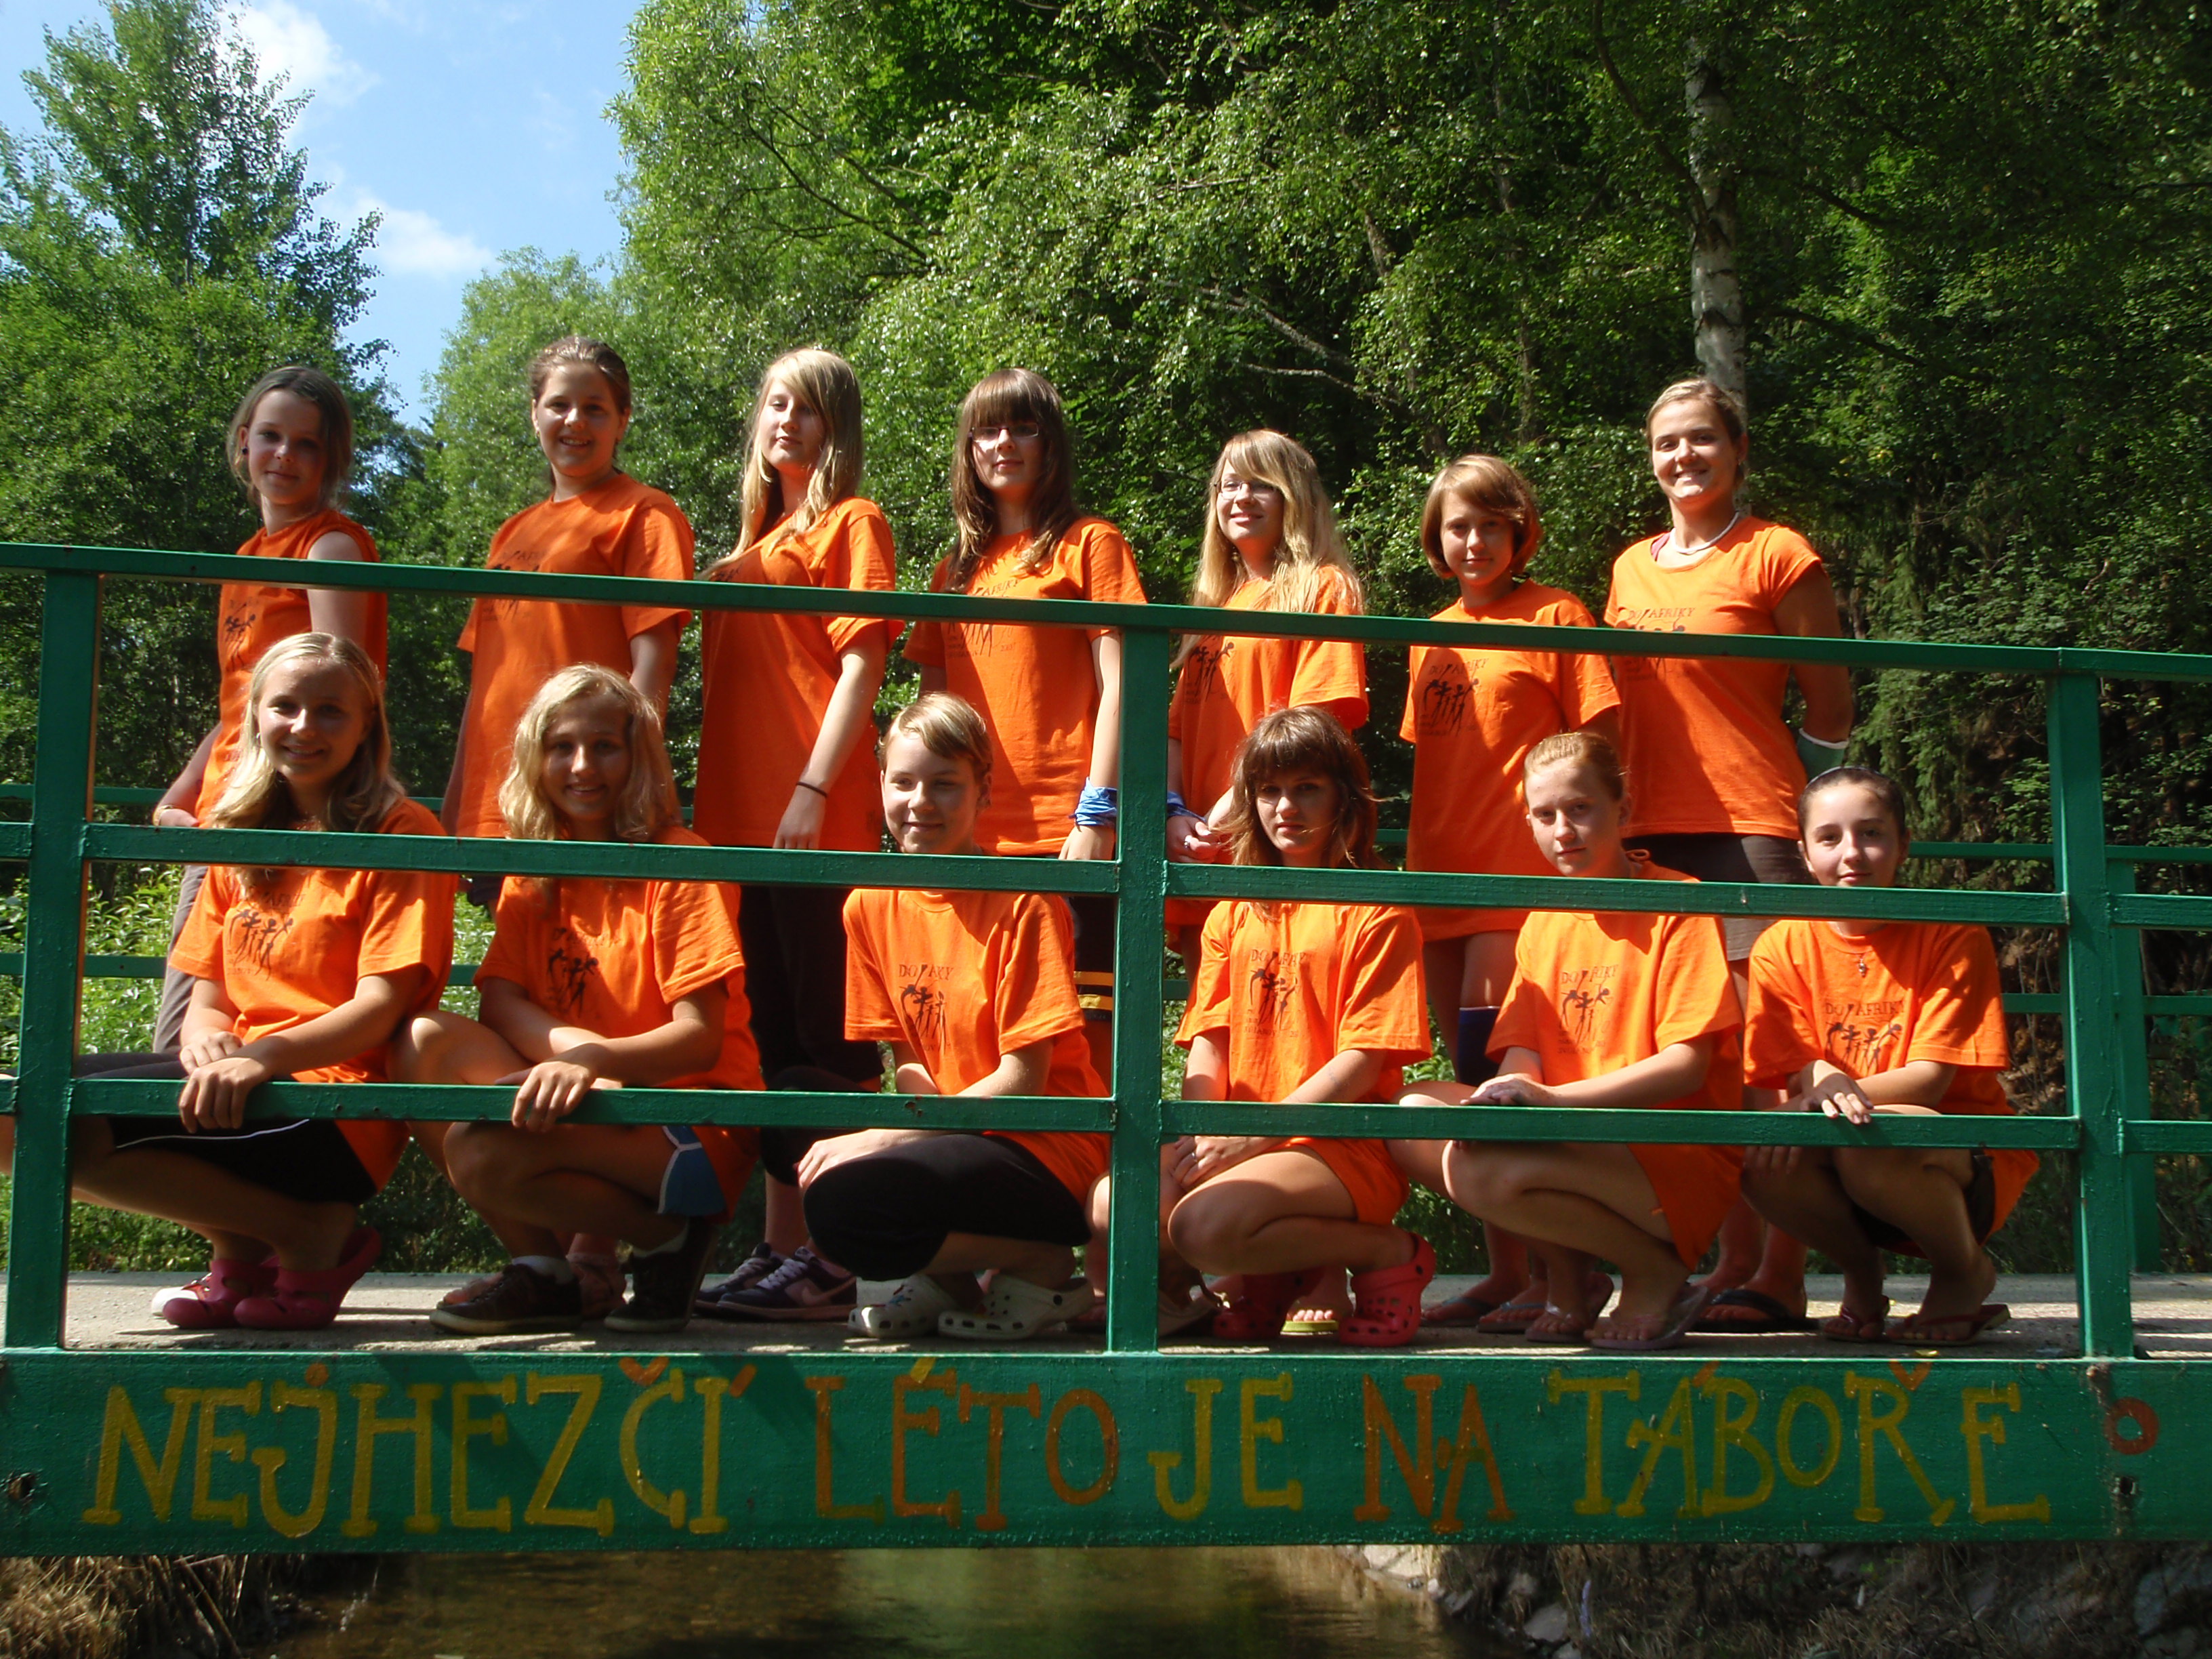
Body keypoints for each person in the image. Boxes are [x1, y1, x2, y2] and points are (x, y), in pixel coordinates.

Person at [5, 634, 451, 1330]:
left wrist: (261, 1057)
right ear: (255, 717)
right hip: (246, 1076)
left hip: (334, 1100)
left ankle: (308, 1234)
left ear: (368, 725)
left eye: (331, 711)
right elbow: (207, 994)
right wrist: (209, 1039)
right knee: (19, 1107)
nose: (304, 726)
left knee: (74, 1127)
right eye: (285, 706)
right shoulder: (238, 830)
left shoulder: (401, 831)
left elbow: (383, 1007)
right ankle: (241, 1248)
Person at [399, 666, 760, 1336]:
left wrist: (593, 1064)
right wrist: (575, 1058)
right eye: (561, 747)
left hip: (688, 1120)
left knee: (480, 1151)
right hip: (590, 1093)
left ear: (639, 757)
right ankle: (545, 1271)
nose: (582, 766)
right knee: (424, 1041)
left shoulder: (680, 861)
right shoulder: (538, 867)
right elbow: (500, 1002)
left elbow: (700, 1038)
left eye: (605, 747)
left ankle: (671, 1239)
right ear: (536, 759)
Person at [1603, 375, 1853, 1326]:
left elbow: (1832, 707)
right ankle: (1730, 1261)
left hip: (1752, 829)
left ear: (1739, 451)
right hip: (1646, 833)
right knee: (1691, 1059)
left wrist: (1807, 817)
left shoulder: (1779, 555)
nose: (1684, 457)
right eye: (1667, 442)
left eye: (1702, 439)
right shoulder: (1630, 569)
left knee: (1764, 1055)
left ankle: (1783, 1273)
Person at [1397, 731, 1744, 1351]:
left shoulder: (1680, 903)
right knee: (1413, 1115)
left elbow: (1687, 1068)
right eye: (1545, 815)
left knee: (1487, 1172)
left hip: (1669, 1154)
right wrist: (1508, 1095)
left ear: (1622, 808)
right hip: (1574, 1136)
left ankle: (1654, 1272)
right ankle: (1570, 1282)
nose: (1563, 831)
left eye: (1580, 809)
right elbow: (1523, 1054)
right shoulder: (1544, 920)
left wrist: (1553, 1103)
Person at [796, 694, 1111, 1341]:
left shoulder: (1025, 901)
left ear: (983, 792)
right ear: (881, 783)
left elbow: (1023, 1082)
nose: (921, 803)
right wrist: (908, 1133)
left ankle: (1042, 1263)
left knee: (843, 1203)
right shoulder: (868, 905)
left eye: (945, 784)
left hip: (1042, 1146)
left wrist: (893, 1137)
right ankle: (953, 1284)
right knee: (791, 1110)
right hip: (951, 1132)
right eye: (903, 782)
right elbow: (908, 1060)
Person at [1397, 454, 1621, 1330]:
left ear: (1518, 532)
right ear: (1437, 538)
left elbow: (1600, 745)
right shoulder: (1431, 633)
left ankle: (1566, 1272)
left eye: (1492, 524)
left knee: (1501, 1072)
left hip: (1516, 882)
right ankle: (1506, 1271)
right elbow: (1436, 756)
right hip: (1437, 878)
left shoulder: (1557, 613)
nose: (1475, 541)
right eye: (1458, 526)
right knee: (1464, 1077)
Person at [691, 349, 892, 1318]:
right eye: (776, 404)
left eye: (808, 409)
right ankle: (781, 1246)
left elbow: (862, 664)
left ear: (835, 427)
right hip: (733, 827)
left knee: (830, 1041)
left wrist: (813, 788)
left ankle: (838, 1249)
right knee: (770, 1040)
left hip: (813, 819)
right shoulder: (748, 545)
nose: (787, 422)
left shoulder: (852, 523)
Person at [1161, 706, 1434, 1349]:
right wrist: (1203, 1135)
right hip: (1242, 1138)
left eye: (1307, 787)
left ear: (1344, 796)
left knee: (1201, 1228)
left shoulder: (1378, 909)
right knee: (1116, 1207)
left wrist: (1252, 1138)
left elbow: (1363, 1062)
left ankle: (1387, 1253)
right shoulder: (1232, 911)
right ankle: (1269, 1276)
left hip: (1341, 1145)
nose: (1286, 807)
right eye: (1269, 790)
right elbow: (1210, 1043)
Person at [903, 368, 1144, 1080]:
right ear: (969, 450)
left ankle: (1094, 1158)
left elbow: (1124, 683)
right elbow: (931, 716)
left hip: (1067, 837)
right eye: (987, 430)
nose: (1003, 443)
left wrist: (1098, 813)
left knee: (1085, 1032)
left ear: (1050, 444)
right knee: (987, 1027)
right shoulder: (952, 571)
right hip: (972, 841)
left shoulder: (1090, 544)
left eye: (1023, 427)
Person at [1737, 766, 2032, 1345]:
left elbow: (1929, 1080)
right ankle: (1862, 1276)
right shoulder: (1781, 944)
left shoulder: (1951, 933)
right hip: (1844, 1144)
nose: (1851, 853)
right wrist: (1819, 1085)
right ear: (1804, 854)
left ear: (1903, 844)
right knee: (1757, 1156)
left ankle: (1962, 1272)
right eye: (1829, 838)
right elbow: (1798, 1062)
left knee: (1874, 1140)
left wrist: (1823, 1097)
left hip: (1955, 1157)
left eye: (1871, 833)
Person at [150, 366, 388, 1054]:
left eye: (307, 444)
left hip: (278, 812)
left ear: (332, 459)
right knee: (192, 1035)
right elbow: (239, 703)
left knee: (193, 1041)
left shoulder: (329, 546)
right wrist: (182, 793)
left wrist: (294, 810)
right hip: (226, 810)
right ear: (244, 443)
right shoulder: (249, 556)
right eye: (271, 437)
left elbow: (339, 688)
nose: (285, 456)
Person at [442, 335, 692, 850]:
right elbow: (484, 684)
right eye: (559, 405)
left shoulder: (645, 513)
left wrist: (632, 786)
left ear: (622, 421)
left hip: (588, 799)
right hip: (498, 803)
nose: (575, 420)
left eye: (595, 408)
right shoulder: (510, 532)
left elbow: (654, 663)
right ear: (535, 415)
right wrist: (456, 800)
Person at [1164, 430, 1367, 970]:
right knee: (1211, 1011)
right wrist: (1176, 815)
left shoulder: (1323, 588)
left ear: (1293, 496)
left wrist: (1222, 816)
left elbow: (1314, 727)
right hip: (1204, 848)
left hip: (1275, 846)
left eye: (1261, 484)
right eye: (1229, 485)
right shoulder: (1212, 605)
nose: (1241, 498)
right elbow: (1175, 733)